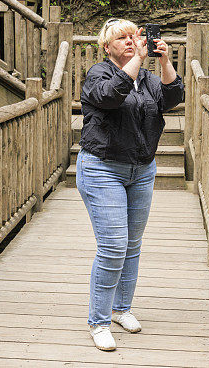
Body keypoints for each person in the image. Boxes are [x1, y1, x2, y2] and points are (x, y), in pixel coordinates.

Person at [76, 18, 185, 351]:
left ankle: (121, 308)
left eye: (133, 36)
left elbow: (172, 98)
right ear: (107, 47)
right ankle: (99, 322)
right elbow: (110, 97)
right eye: (120, 38)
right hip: (101, 169)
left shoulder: (149, 79)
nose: (129, 42)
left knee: (132, 244)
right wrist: (138, 58)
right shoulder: (98, 74)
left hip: (141, 169)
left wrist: (165, 61)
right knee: (113, 245)